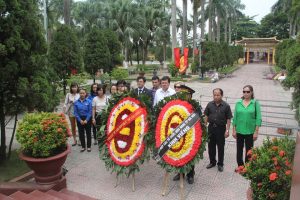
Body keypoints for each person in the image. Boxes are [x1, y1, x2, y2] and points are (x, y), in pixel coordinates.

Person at [232, 85, 262, 169]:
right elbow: (235, 117)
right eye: (244, 91)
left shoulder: (255, 103)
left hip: (250, 131)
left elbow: (258, 118)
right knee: (239, 149)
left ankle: (248, 166)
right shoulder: (238, 103)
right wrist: (234, 130)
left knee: (249, 150)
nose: (246, 93)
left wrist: (256, 132)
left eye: (248, 92)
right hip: (239, 130)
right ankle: (240, 166)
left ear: (251, 92)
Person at [172, 85, 197, 184]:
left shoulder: (194, 106)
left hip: (191, 136)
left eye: (186, 94)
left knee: (190, 156)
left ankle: (190, 174)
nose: (183, 96)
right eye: (182, 94)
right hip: (179, 135)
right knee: (179, 154)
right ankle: (180, 173)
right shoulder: (177, 105)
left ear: (190, 95)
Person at [204, 88, 232, 172]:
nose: (216, 97)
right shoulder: (209, 104)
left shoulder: (226, 106)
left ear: (221, 95)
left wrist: (227, 130)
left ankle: (220, 164)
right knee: (211, 146)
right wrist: (204, 127)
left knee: (220, 147)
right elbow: (206, 116)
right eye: (214, 95)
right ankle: (212, 162)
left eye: (218, 95)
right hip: (211, 128)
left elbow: (228, 119)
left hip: (221, 129)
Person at [74, 88, 93, 152]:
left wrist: (86, 120)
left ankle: (89, 146)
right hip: (80, 119)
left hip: (87, 119)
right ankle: (83, 146)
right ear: (79, 94)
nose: (82, 94)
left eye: (83, 93)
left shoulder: (89, 101)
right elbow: (75, 113)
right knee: (81, 133)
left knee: (88, 133)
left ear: (85, 94)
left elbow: (90, 112)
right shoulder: (76, 102)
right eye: (81, 93)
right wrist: (80, 120)